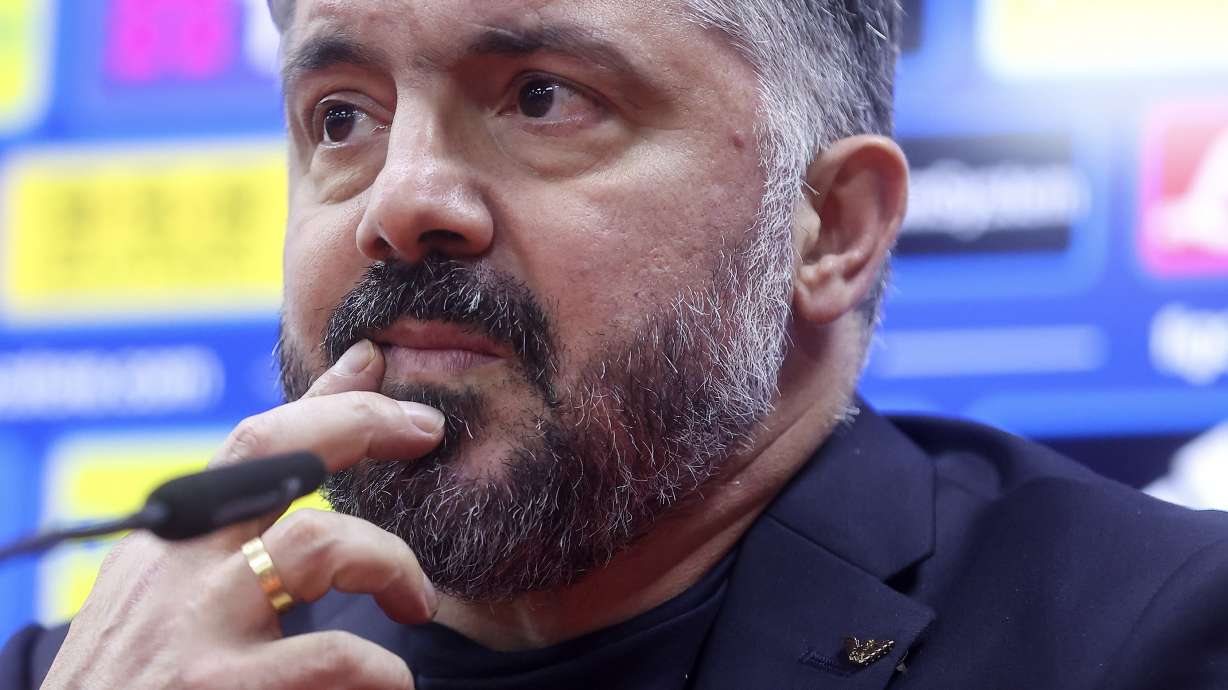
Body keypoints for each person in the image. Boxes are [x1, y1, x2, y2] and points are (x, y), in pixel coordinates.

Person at [6, 1, 1228, 688]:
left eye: (541, 95)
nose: (399, 200)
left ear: (831, 229)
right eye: (342, 117)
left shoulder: (1151, 638)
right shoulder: (102, 673)